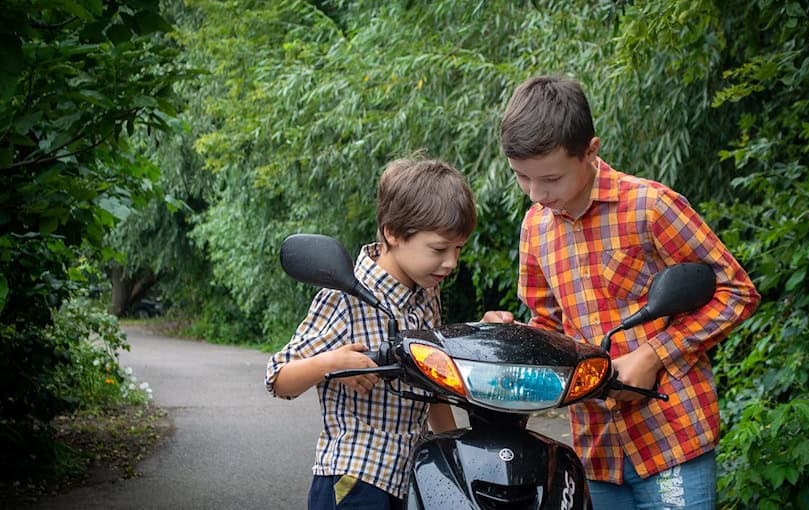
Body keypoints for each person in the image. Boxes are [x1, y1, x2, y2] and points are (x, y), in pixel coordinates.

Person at [491, 75, 761, 509]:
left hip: (672, 439)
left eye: (552, 179)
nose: (537, 194)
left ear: (591, 151)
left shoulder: (650, 207)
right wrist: (512, 336)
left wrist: (654, 355)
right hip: (592, 451)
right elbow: (549, 327)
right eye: (522, 177)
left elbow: (735, 292)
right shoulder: (534, 230)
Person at [265, 156, 476, 510]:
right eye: (439, 249)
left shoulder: (425, 294)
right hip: (356, 477)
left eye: (458, 249)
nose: (451, 262)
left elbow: (431, 384)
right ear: (393, 232)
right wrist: (332, 363)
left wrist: (453, 458)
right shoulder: (345, 296)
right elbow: (278, 377)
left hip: (411, 477)